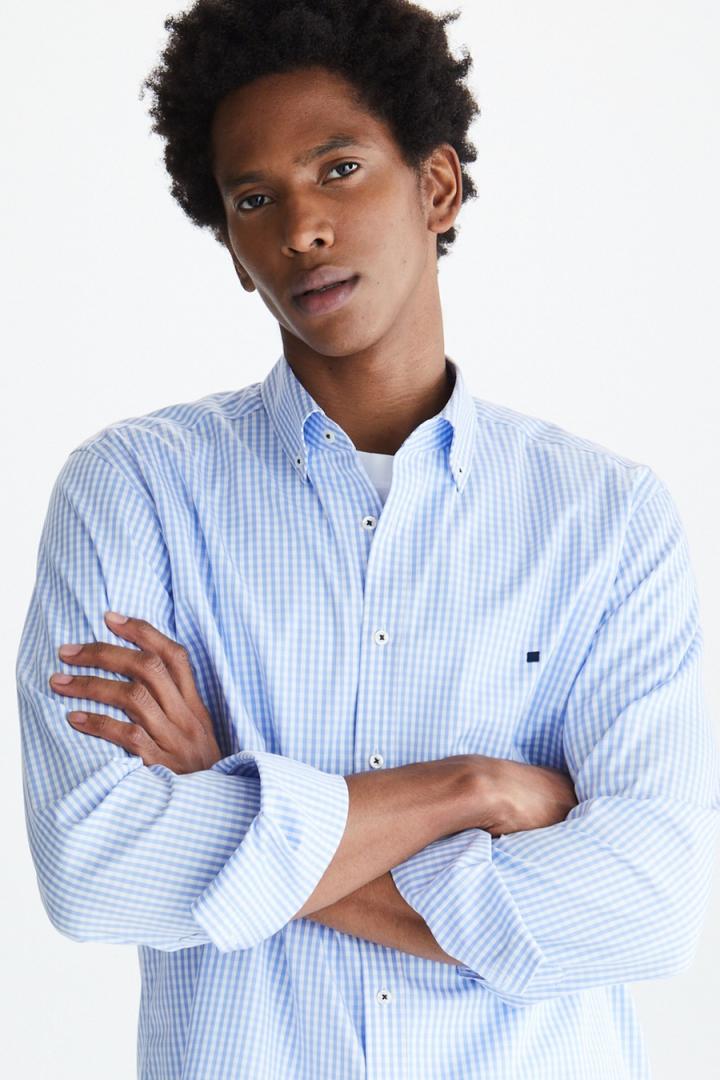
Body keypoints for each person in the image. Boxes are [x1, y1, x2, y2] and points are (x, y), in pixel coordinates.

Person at [16, 2, 720, 1078]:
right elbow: (95, 868)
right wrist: (471, 791)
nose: (301, 228)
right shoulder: (135, 491)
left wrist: (227, 797)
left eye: (338, 169)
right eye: (254, 199)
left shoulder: (607, 520)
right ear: (232, 247)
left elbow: (646, 907)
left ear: (436, 187)